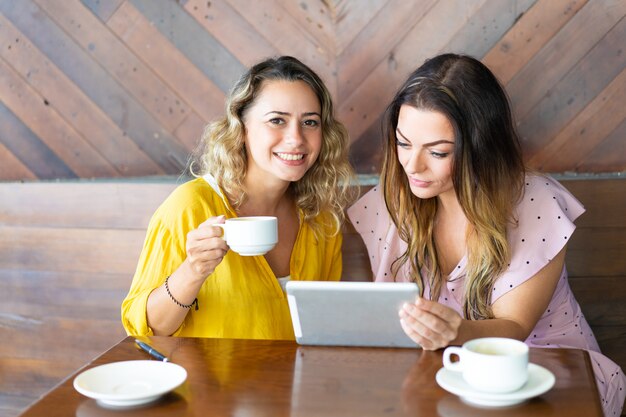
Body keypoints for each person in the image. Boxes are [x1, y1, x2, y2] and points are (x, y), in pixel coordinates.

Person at [347, 53, 624, 416]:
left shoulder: (534, 202)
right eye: (403, 143)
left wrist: (455, 333)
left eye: (438, 152)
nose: (412, 165)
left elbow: (515, 328)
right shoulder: (389, 204)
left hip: (550, 369)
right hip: (446, 375)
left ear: (480, 148)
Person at [122, 56, 356, 340]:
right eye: (277, 120)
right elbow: (147, 329)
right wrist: (192, 271)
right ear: (242, 128)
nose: (296, 138)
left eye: (310, 122)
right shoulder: (191, 206)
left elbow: (325, 322)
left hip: (296, 382)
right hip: (212, 384)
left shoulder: (320, 217)